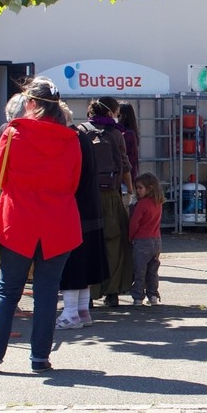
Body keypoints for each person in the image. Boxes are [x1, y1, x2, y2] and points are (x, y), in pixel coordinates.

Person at [0, 78, 82, 374]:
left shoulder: (13, 134)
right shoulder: (70, 139)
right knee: (47, 293)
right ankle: (39, 359)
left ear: (32, 104)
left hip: (18, 220)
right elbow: (72, 183)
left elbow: (2, 177)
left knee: (7, 291)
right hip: (58, 222)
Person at [56, 112, 109, 330]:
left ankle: (70, 314)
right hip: (90, 208)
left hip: (74, 209)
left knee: (72, 263)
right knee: (84, 262)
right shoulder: (83, 137)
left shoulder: (69, 140)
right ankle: (81, 310)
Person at [81, 97, 135, 306]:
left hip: (86, 198)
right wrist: (129, 192)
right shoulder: (116, 133)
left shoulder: (81, 131)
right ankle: (112, 292)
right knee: (114, 243)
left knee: (88, 244)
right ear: (111, 112)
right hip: (111, 195)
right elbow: (125, 165)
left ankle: (88, 294)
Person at [129, 172, 164, 306]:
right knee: (153, 271)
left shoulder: (142, 204)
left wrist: (130, 237)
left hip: (142, 241)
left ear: (149, 188)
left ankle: (138, 296)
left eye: (140, 188)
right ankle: (153, 294)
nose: (137, 190)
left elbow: (134, 223)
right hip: (156, 240)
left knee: (140, 271)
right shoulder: (158, 203)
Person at [116, 100, 141, 176]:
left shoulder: (127, 134)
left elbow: (130, 161)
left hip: (122, 178)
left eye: (117, 114)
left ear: (124, 116)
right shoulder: (131, 133)